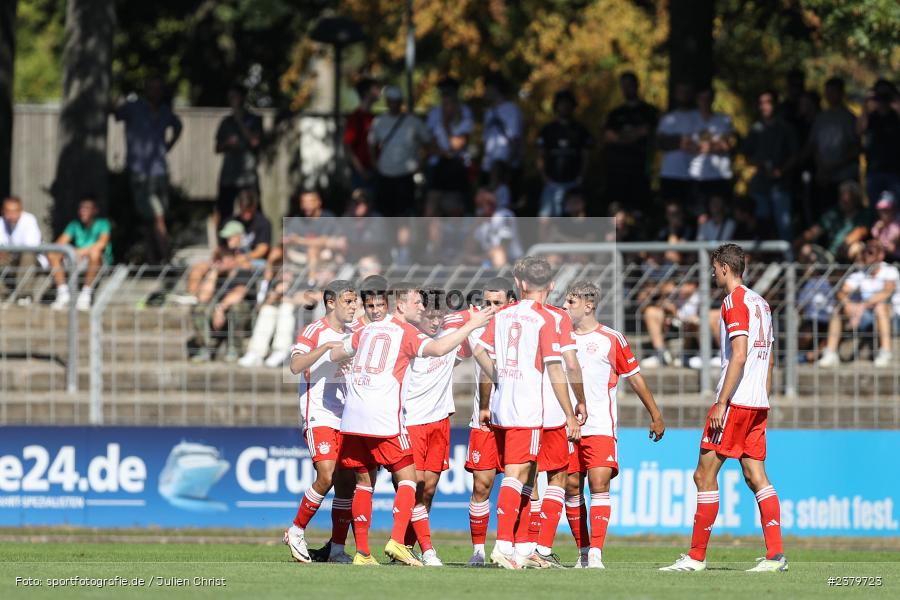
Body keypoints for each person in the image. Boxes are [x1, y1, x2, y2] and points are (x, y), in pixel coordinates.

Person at [327, 282, 493, 566]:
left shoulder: (367, 329)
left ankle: (364, 553)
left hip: (355, 416)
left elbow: (335, 354)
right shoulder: (406, 333)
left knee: (366, 482)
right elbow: (440, 348)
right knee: (409, 481)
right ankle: (399, 542)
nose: (422, 307)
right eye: (417, 302)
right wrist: (473, 322)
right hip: (390, 418)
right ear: (401, 305)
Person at [661, 243, 787, 573]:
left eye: (714, 268)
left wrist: (721, 402)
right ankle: (775, 555)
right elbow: (770, 358)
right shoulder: (762, 304)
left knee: (704, 475)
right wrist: (765, 397)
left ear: (724, 268)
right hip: (757, 400)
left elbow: (741, 354)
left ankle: (695, 557)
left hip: (735, 401)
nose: (712, 273)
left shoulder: (734, 302)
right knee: (756, 475)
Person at [472, 256, 584, 569]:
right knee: (521, 474)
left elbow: (479, 349)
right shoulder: (550, 319)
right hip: (532, 409)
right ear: (551, 286)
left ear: (519, 284)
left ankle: (522, 548)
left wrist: (498, 378)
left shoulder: (503, 313)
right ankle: (506, 546)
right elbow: (557, 367)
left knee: (523, 476)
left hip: (503, 407)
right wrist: (572, 412)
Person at [563, 280, 665, 568]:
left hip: (600, 425)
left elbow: (634, 377)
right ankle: (582, 551)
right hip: (567, 426)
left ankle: (596, 552)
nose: (565, 307)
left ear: (589, 305)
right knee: (571, 486)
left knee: (599, 482)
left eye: (570, 302)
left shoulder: (611, 338)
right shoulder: (561, 338)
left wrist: (655, 414)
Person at [283, 280, 359, 564]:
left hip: (347, 415)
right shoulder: (314, 331)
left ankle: (337, 549)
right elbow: (295, 366)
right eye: (348, 302)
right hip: (319, 413)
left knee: (345, 483)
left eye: (355, 302)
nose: (353, 307)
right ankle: (296, 529)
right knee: (326, 475)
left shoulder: (355, 333)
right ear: (331, 303)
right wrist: (325, 349)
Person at [448, 278, 515, 567]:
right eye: (486, 303)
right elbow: (449, 353)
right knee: (482, 485)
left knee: (523, 486)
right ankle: (477, 550)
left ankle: (516, 546)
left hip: (518, 419)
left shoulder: (522, 325)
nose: (491, 308)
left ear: (510, 303)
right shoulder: (474, 328)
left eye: (497, 303)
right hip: (484, 421)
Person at [399, 291, 462, 566]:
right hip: (412, 421)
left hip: (439, 422)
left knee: (429, 489)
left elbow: (481, 346)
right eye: (430, 316)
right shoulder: (410, 341)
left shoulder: (451, 341)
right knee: (416, 485)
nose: (435, 322)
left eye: (440, 317)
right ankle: (427, 549)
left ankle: (406, 548)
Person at [113, 75, 182, 264]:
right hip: (140, 171)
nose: (155, 92)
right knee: (152, 217)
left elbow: (178, 126)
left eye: (159, 88)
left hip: (159, 171)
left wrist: (168, 145)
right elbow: (116, 113)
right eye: (152, 88)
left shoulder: (165, 111)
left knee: (157, 218)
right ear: (146, 90)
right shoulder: (134, 107)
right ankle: (161, 260)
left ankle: (160, 260)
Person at [179, 190, 271, 307]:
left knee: (217, 271)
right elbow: (221, 248)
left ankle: (205, 301)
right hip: (227, 259)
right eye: (243, 210)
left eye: (249, 211)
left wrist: (241, 258)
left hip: (246, 262)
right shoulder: (231, 221)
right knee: (198, 268)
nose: (246, 215)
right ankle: (192, 298)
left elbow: (262, 249)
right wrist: (221, 257)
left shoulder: (262, 223)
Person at [817, 240, 898, 368]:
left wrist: (861, 305)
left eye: (871, 252)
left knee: (881, 307)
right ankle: (830, 353)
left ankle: (885, 351)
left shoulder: (890, 270)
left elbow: (887, 292)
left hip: (893, 319)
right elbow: (841, 292)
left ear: (881, 255)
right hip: (866, 317)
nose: (866, 256)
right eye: (865, 252)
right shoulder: (861, 274)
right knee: (838, 309)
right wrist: (847, 303)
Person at [743, 90, 799, 241]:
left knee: (784, 225)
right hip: (760, 184)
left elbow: (795, 155)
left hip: (781, 185)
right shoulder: (755, 129)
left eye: (768, 103)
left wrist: (781, 170)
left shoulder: (785, 128)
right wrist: (759, 164)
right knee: (761, 224)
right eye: (761, 103)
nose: (764, 107)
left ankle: (789, 260)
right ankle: (763, 260)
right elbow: (746, 156)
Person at [369, 86, 432, 217]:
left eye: (396, 101)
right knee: (386, 213)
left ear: (401, 102)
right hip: (385, 174)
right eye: (391, 101)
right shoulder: (378, 122)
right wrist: (375, 164)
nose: (394, 105)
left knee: (405, 213)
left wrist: (421, 163)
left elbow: (428, 142)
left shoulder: (413, 122)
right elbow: (371, 144)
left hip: (406, 175)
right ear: (387, 102)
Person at [603, 72, 659, 214]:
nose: (627, 89)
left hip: (641, 169)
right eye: (624, 86)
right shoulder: (615, 114)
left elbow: (649, 132)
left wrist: (621, 136)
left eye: (630, 85)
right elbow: (609, 136)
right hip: (619, 170)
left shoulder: (649, 111)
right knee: (617, 211)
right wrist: (635, 134)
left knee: (640, 211)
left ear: (637, 85)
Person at [806, 77, 860, 219]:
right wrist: (821, 168)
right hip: (824, 178)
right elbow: (814, 145)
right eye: (827, 92)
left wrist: (834, 166)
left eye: (832, 92)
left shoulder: (849, 118)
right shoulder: (821, 118)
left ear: (841, 93)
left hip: (844, 177)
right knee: (826, 214)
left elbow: (855, 148)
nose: (829, 96)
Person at [48, 196, 112, 311]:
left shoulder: (103, 223)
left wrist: (79, 251)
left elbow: (102, 243)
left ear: (95, 211)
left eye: (87, 208)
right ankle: (63, 293)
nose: (83, 211)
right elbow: (60, 243)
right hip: (77, 259)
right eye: (81, 208)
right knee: (53, 254)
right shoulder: (74, 224)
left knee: (95, 253)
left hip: (97, 261)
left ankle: (85, 295)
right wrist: (72, 252)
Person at [537, 90, 594, 217]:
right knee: (546, 219)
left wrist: (581, 177)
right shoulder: (548, 130)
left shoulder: (580, 130)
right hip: (552, 183)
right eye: (561, 104)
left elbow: (586, 156)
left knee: (574, 222)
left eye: (568, 104)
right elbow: (541, 156)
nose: (565, 107)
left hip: (573, 184)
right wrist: (544, 178)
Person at [214, 83, 263, 227]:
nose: (232, 100)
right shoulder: (226, 122)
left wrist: (240, 121)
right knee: (225, 211)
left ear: (242, 98)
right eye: (230, 98)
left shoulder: (254, 119)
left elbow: (255, 142)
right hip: (228, 175)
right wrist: (227, 143)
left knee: (254, 208)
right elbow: (217, 148)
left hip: (248, 175)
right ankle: (225, 243)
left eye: (235, 97)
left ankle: (257, 242)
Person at [685, 87, 735, 216]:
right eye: (702, 98)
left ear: (713, 99)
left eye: (708, 98)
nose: (705, 102)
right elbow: (685, 144)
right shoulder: (690, 119)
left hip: (720, 175)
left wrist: (706, 147)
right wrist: (715, 144)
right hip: (697, 175)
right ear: (697, 100)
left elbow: (728, 144)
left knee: (721, 214)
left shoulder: (723, 119)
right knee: (700, 216)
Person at [797, 180, 873, 261]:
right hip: (829, 254)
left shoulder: (864, 214)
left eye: (847, 200)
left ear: (855, 199)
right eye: (841, 197)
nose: (843, 201)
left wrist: (845, 243)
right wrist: (797, 243)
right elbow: (814, 231)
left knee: (855, 249)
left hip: (848, 252)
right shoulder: (834, 213)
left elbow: (861, 231)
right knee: (805, 250)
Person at [425, 77, 475, 196]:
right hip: (436, 165)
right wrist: (442, 153)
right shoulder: (434, 113)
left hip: (457, 165)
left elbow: (457, 144)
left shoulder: (465, 113)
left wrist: (446, 124)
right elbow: (430, 143)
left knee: (454, 203)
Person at [482, 73, 523, 198]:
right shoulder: (488, 112)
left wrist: (509, 166)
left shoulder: (511, 109)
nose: (484, 92)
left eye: (487, 88)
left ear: (494, 88)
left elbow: (515, 138)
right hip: (489, 167)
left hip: (505, 167)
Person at [656, 82, 697, 206]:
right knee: (672, 211)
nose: (684, 96)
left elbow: (701, 143)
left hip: (694, 175)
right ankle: (599, 226)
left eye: (687, 92)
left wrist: (672, 140)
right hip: (671, 173)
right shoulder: (668, 119)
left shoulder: (700, 117)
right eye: (681, 92)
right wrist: (683, 140)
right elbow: (660, 143)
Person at [859, 79, 900, 205]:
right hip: (874, 170)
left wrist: (896, 100)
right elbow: (859, 130)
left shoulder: (896, 116)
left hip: (896, 170)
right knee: (874, 209)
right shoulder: (871, 117)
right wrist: (866, 104)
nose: (882, 99)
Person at [0, 196, 44, 302]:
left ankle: (24, 295)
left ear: (21, 210)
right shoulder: (1, 222)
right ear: (3, 211)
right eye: (8, 211)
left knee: (27, 255)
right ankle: (4, 294)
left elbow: (31, 246)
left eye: (14, 211)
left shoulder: (29, 220)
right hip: (11, 258)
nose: (11, 215)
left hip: (34, 260)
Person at [466, 187, 522, 268]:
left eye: (488, 202)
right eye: (482, 203)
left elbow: (503, 246)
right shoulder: (480, 222)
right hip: (487, 259)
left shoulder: (504, 214)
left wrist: (481, 258)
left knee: (498, 254)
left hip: (511, 259)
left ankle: (501, 279)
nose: (485, 205)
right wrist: (476, 224)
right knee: (461, 257)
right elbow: (470, 247)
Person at [343, 78, 380, 194]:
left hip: (376, 169)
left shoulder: (375, 118)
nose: (379, 92)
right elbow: (348, 147)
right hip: (363, 172)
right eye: (376, 89)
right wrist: (361, 170)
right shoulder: (356, 118)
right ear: (366, 93)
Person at [871, 191, 900, 261]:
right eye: (881, 210)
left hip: (896, 261)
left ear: (893, 209)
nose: (884, 213)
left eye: (887, 210)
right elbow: (876, 245)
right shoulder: (877, 226)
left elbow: (891, 249)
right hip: (882, 260)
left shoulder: (897, 225)